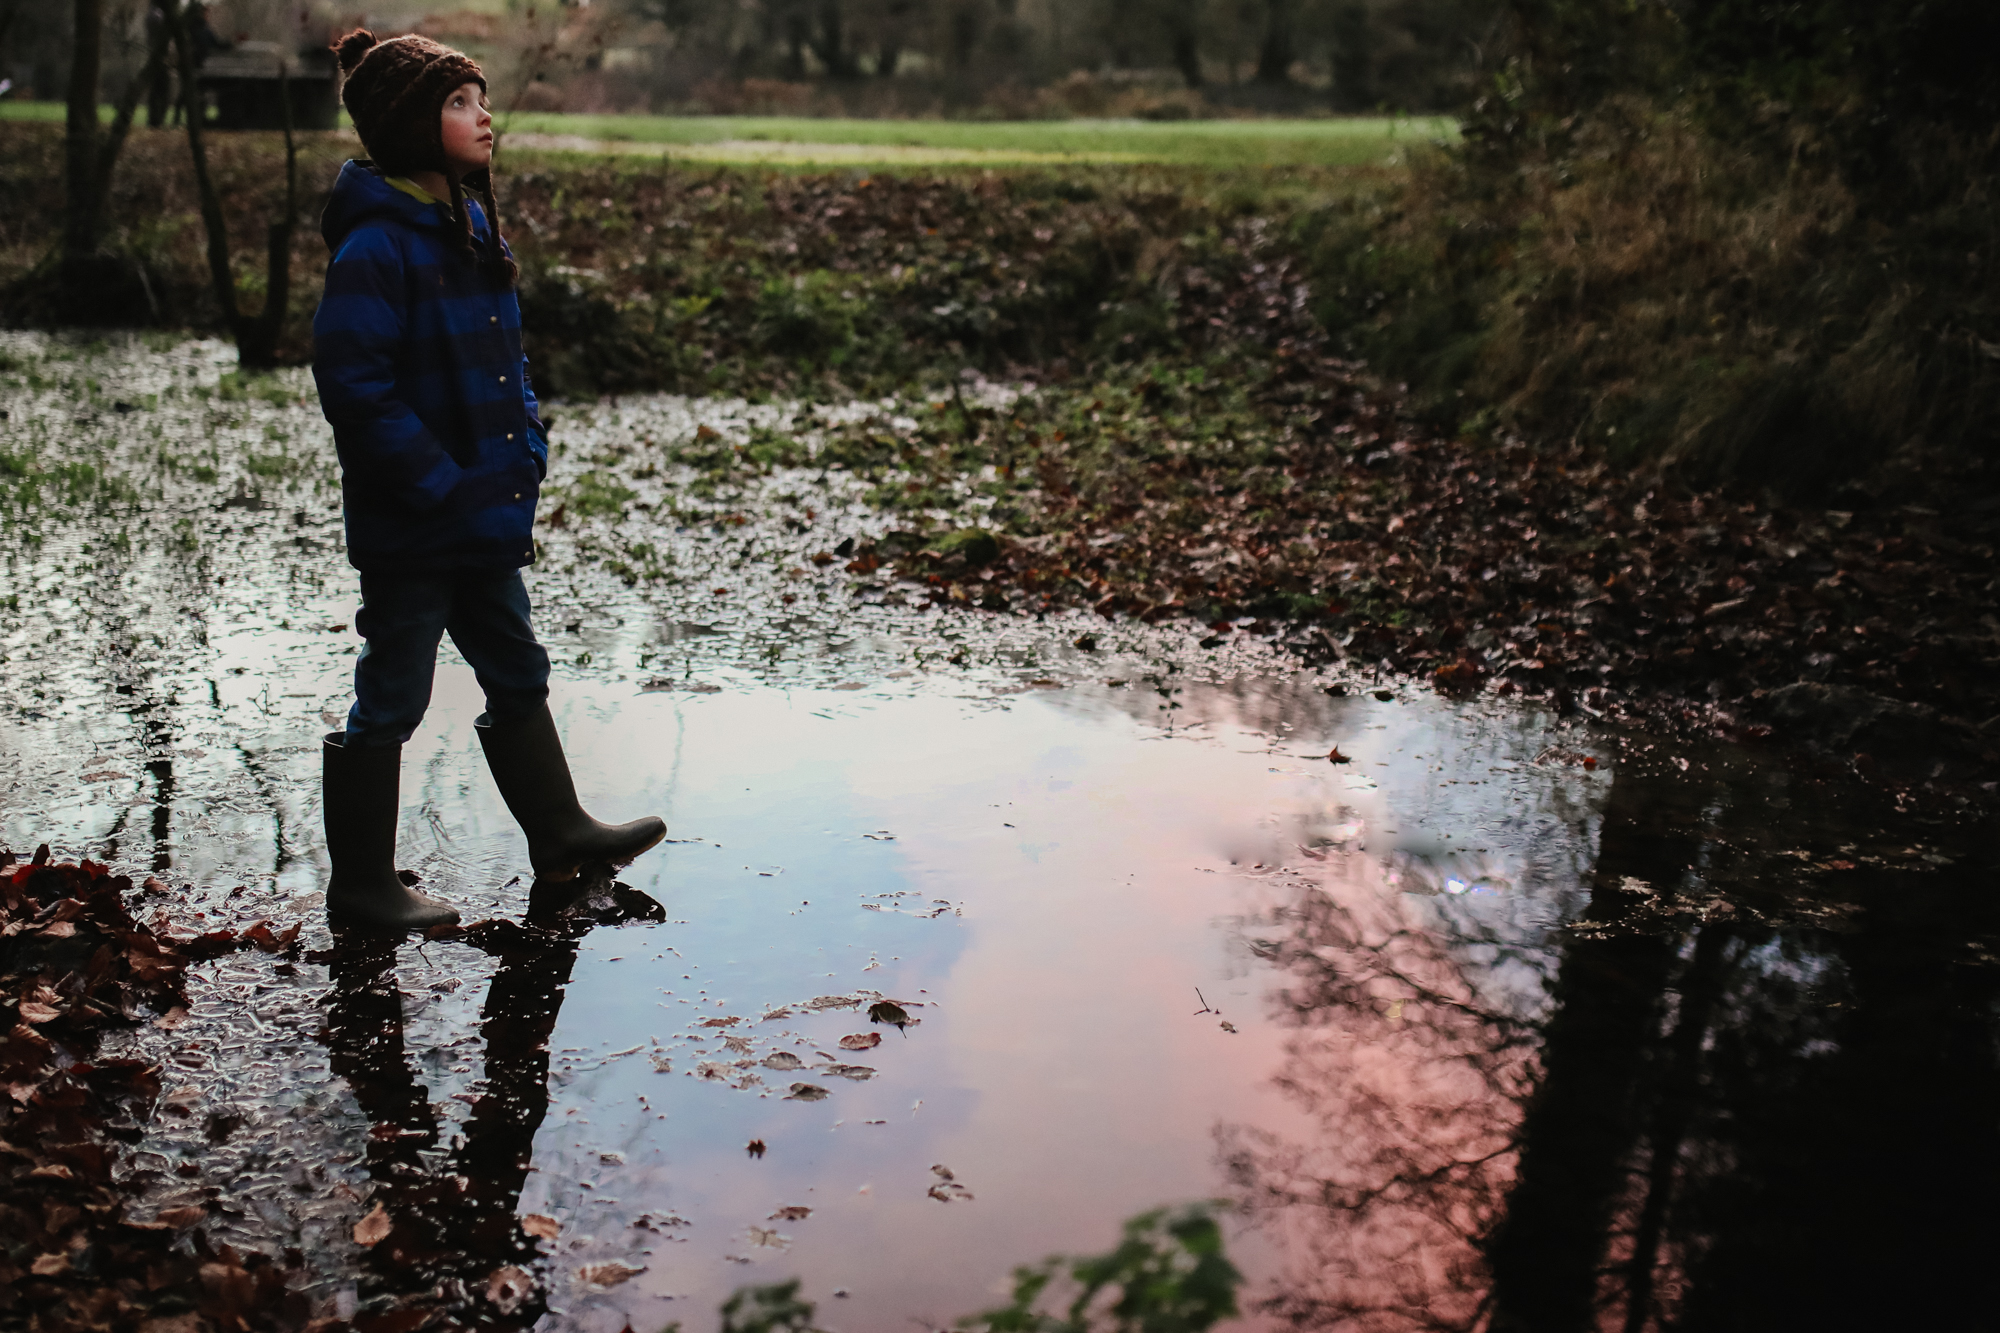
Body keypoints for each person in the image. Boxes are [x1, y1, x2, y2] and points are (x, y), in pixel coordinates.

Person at [311, 29, 664, 930]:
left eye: (482, 98)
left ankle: (560, 831)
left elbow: (511, 366)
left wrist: (527, 451)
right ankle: (362, 883)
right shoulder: (376, 248)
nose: (485, 115)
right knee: (394, 687)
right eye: (461, 102)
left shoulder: (470, 225)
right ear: (409, 126)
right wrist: (438, 481)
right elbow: (353, 384)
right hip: (416, 521)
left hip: (483, 514)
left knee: (515, 664)